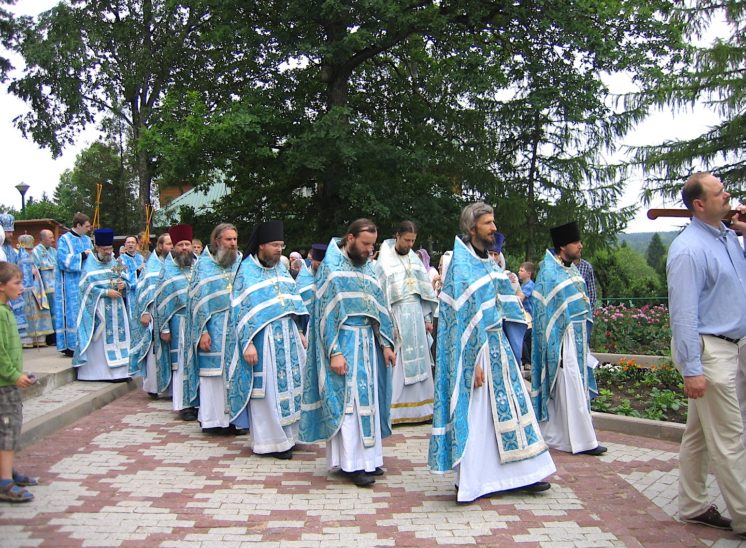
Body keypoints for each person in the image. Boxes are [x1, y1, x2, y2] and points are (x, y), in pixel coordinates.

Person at [429, 203, 554, 502]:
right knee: (478, 417)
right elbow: (455, 323)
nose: (494, 228)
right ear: (472, 228)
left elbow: (508, 303)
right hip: (476, 354)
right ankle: (472, 481)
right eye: (488, 223)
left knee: (512, 411)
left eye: (494, 222)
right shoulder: (461, 267)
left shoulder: (489, 263)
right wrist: (469, 363)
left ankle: (524, 473)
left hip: (499, 349)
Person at [667, 172, 746, 538]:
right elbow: (683, 314)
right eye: (720, 193)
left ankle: (692, 504)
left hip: (731, 347)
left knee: (699, 435)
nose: (728, 196)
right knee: (731, 439)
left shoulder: (729, 239)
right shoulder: (688, 250)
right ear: (699, 204)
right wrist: (692, 369)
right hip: (709, 351)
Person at [300, 219, 396, 487]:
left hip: (368, 344)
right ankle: (352, 464)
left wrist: (386, 344)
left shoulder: (369, 268)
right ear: (350, 238)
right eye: (365, 244)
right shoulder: (330, 268)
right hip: (345, 345)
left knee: (370, 404)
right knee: (349, 406)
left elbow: (379, 307)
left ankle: (370, 459)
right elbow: (324, 317)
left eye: (372, 245)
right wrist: (334, 352)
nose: (369, 250)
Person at [227, 221, 308, 458]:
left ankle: (290, 437)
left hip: (288, 336)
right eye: (274, 245)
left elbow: (293, 302)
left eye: (281, 245)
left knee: (293, 386)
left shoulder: (281, 269)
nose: (279, 249)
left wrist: (300, 332)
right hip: (263, 339)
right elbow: (239, 311)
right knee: (268, 392)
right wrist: (247, 343)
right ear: (261, 246)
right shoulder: (246, 272)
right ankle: (270, 442)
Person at [531, 221, 605, 456]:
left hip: (578, 337)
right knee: (568, 386)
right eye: (576, 242)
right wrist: (556, 346)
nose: (580, 246)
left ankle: (570, 437)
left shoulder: (571, 269)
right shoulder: (549, 272)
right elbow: (544, 312)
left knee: (575, 387)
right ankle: (580, 440)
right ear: (563, 246)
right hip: (562, 339)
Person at [376, 221, 437, 425]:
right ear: (397, 236)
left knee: (421, 358)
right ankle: (394, 412)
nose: (410, 244)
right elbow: (381, 295)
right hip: (398, 314)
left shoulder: (415, 260)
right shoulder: (384, 261)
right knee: (399, 362)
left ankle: (424, 409)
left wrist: (427, 318)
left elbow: (424, 291)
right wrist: (388, 323)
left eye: (413, 241)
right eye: (406, 240)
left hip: (416, 316)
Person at [184, 223, 243, 434]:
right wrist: (203, 332)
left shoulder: (240, 264)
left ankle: (233, 420)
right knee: (213, 376)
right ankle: (212, 421)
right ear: (217, 241)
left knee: (234, 373)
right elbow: (196, 302)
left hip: (235, 329)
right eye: (229, 240)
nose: (233, 244)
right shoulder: (203, 266)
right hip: (213, 328)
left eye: (235, 239)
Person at [0, 262, 37, 503]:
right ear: (2, 287)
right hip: (4, 384)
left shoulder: (6, 310)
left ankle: (6, 469)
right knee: (8, 430)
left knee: (9, 428)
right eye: (17, 283)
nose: (21, 288)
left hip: (8, 381)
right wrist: (14, 375)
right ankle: (5, 482)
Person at [72, 228, 130, 381]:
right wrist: (104, 293)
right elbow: (84, 288)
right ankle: (98, 373)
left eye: (110, 249)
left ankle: (122, 372)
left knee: (120, 338)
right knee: (100, 342)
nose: (108, 252)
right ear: (97, 247)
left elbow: (128, 280)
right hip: (99, 309)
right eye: (105, 249)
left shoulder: (117, 262)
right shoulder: (89, 265)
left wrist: (123, 285)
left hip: (117, 307)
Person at [154, 225, 198, 420]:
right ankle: (185, 405)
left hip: (198, 323)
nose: (184, 248)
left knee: (198, 364)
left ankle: (199, 403)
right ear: (173, 248)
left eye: (187, 244)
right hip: (179, 324)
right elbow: (161, 302)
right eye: (180, 244)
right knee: (182, 365)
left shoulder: (200, 267)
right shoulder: (167, 270)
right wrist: (163, 328)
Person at [129, 233, 173, 399]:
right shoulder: (152, 266)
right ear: (160, 246)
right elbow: (143, 290)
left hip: (171, 314)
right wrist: (145, 312)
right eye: (168, 244)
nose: (171, 247)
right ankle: (153, 387)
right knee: (155, 353)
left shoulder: (174, 264)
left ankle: (170, 388)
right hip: (155, 315)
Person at [55, 212, 93, 356]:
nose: (89, 229)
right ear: (78, 225)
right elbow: (62, 260)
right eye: (87, 226)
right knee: (72, 311)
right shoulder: (65, 239)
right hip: (70, 284)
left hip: (84, 281)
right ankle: (71, 345)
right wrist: (82, 255)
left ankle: (85, 342)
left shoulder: (88, 240)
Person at [17, 235, 54, 348]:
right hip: (24, 290)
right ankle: (27, 340)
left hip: (37, 288)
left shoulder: (33, 255)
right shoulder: (18, 256)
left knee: (39, 310)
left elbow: (38, 266)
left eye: (31, 248)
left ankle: (39, 338)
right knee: (27, 312)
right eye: (27, 249)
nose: (30, 251)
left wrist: (35, 271)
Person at [0, 215, 26, 343]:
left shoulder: (11, 249)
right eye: (7, 232)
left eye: (11, 231)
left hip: (11, 286)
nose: (10, 235)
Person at [32, 230, 57, 345]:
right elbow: (35, 270)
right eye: (50, 238)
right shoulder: (36, 252)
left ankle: (58, 336)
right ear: (43, 239)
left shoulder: (53, 251)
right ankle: (50, 338)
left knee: (57, 312)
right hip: (45, 288)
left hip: (56, 287)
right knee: (49, 313)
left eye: (53, 237)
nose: (53, 240)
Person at [518, 261, 536, 366]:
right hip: (524, 317)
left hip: (530, 318)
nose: (519, 272)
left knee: (525, 339)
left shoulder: (529, 285)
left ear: (529, 273)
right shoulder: (523, 285)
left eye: (522, 270)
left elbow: (521, 298)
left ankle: (527, 362)